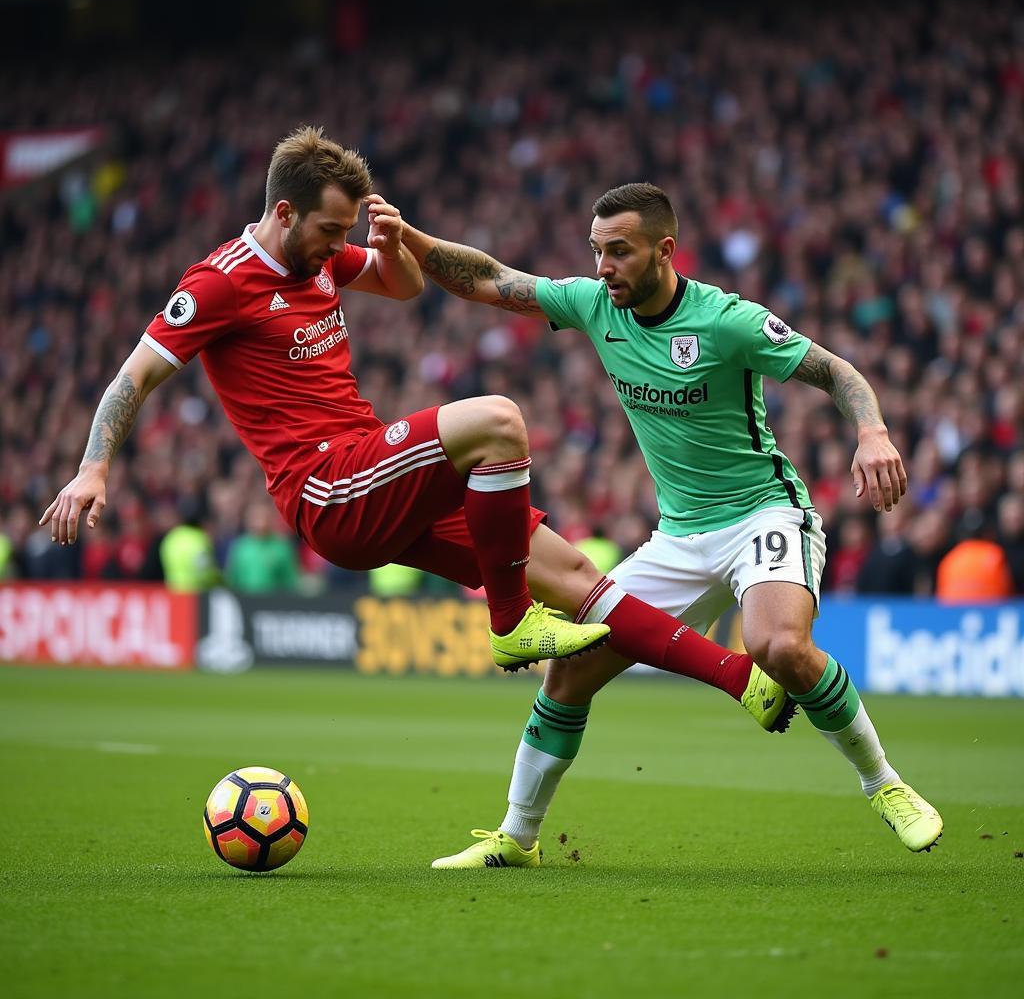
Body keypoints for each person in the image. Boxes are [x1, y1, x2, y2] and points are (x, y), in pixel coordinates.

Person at [39, 130, 788, 727]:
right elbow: (132, 376)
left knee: (577, 579)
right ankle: (507, 622)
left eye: (346, 234)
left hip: (378, 475)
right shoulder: (221, 282)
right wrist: (94, 467)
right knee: (498, 421)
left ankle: (737, 680)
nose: (339, 248)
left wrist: (393, 245)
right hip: (326, 486)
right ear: (286, 213)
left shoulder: (320, 257)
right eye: (331, 231)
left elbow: (400, 288)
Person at [403, 181, 943, 867]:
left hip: (763, 514)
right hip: (678, 538)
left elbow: (837, 372)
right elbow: (491, 280)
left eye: (619, 252)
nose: (603, 267)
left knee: (778, 648)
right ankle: (518, 837)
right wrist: (414, 243)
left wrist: (872, 431)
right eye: (597, 251)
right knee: (567, 675)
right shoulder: (594, 304)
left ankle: (885, 784)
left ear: (665, 250)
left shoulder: (727, 321)